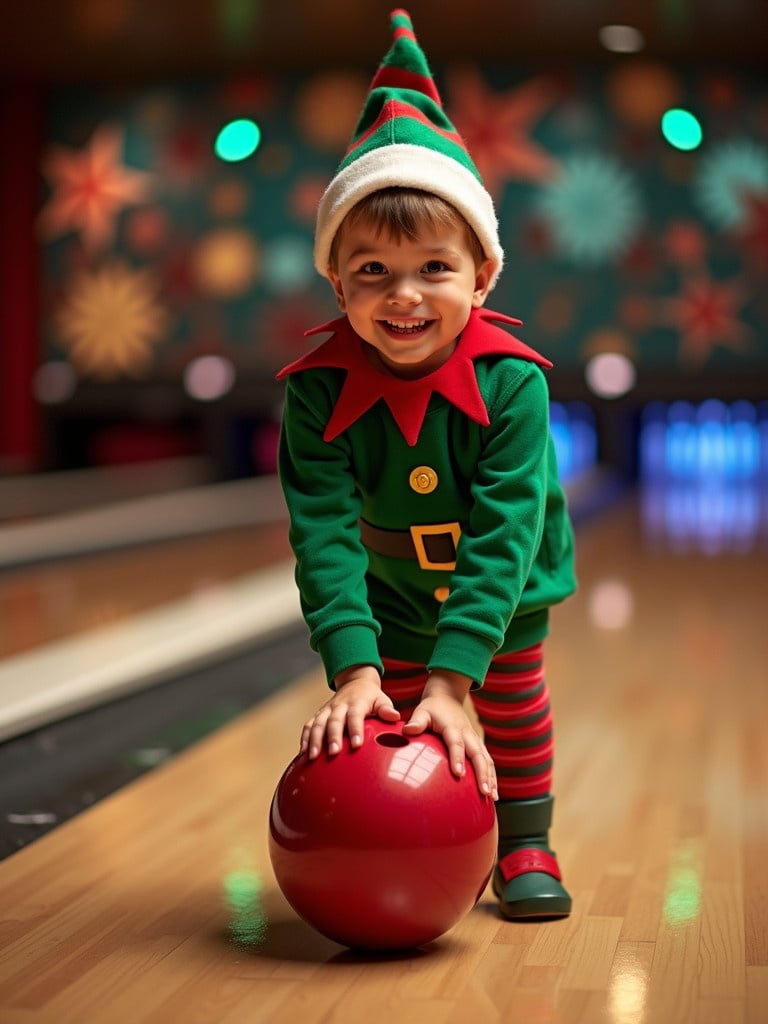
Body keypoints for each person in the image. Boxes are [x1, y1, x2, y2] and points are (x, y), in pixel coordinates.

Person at [276, 8, 577, 919]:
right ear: (337, 281)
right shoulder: (315, 391)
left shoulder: (513, 384)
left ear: (482, 275)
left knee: (512, 707)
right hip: (389, 592)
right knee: (398, 721)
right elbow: (321, 532)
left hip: (505, 590)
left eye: (433, 269)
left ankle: (527, 840)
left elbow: (506, 526)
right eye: (370, 271)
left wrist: (459, 676)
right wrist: (355, 670)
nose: (403, 295)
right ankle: (435, 837)